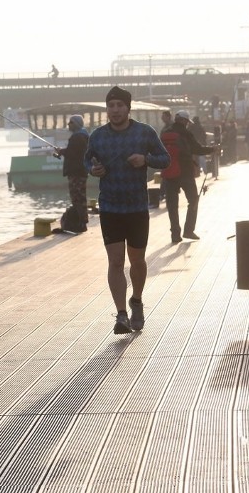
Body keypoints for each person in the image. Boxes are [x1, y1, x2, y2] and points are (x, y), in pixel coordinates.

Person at [85, 86, 170, 335]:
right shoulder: (97, 136)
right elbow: (86, 160)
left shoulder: (144, 133)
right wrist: (93, 169)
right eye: (111, 106)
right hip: (109, 206)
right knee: (115, 261)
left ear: (128, 108)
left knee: (136, 261)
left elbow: (165, 159)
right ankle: (121, 315)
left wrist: (146, 160)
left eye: (119, 105)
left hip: (136, 207)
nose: (115, 110)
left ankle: (137, 300)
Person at [160, 111, 216, 244]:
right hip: (185, 172)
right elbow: (197, 149)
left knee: (172, 206)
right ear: (184, 121)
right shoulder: (185, 134)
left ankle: (175, 234)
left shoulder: (165, 133)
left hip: (169, 173)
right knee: (193, 201)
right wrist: (212, 149)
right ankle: (188, 230)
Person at [54, 114, 89, 232]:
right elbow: (75, 152)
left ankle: (81, 223)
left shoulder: (78, 137)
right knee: (80, 197)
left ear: (77, 124)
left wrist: (62, 151)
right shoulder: (82, 135)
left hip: (76, 172)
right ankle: (82, 221)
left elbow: (73, 154)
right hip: (81, 171)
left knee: (77, 197)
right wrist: (63, 151)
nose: (68, 124)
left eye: (71, 122)